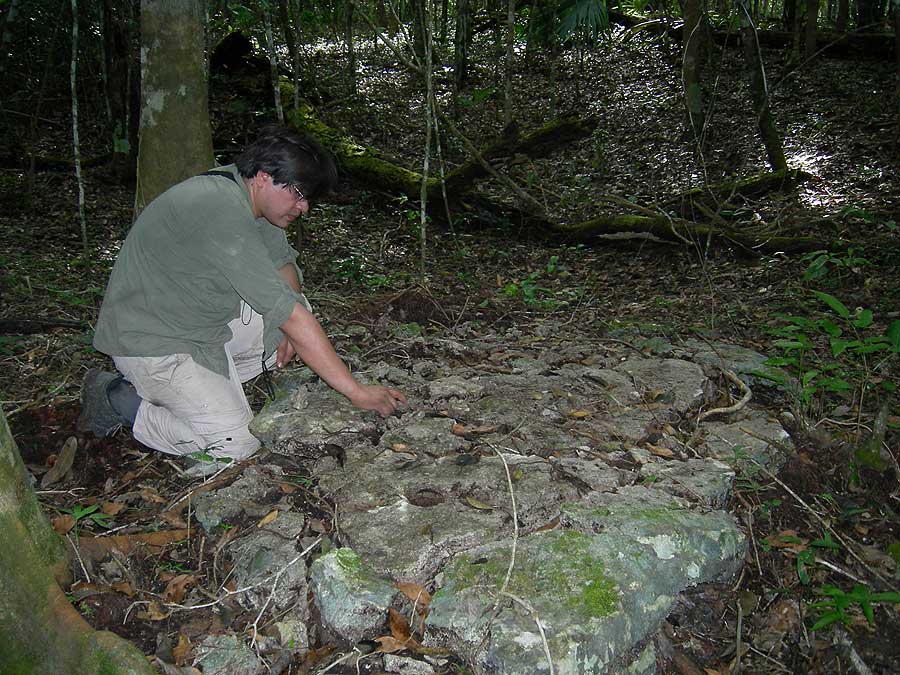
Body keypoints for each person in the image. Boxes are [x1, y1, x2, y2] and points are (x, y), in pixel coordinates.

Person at [79, 126, 407, 474]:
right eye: (299, 194)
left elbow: (283, 266)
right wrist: (355, 391)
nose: (304, 207)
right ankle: (118, 399)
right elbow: (291, 317)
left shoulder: (248, 195)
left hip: (201, 324)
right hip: (151, 342)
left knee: (295, 310)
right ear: (265, 177)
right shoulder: (218, 207)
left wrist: (282, 323)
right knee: (237, 445)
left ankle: (203, 391)